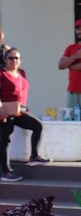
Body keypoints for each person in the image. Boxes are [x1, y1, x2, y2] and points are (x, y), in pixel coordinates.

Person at [2, 47, 51, 182]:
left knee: (37, 126)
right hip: (5, 112)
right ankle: (5, 171)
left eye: (17, 58)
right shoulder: (2, 74)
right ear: (5, 60)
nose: (14, 61)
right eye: (11, 58)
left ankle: (34, 156)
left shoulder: (21, 73)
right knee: (4, 139)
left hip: (20, 111)